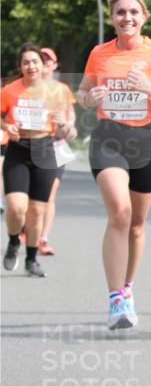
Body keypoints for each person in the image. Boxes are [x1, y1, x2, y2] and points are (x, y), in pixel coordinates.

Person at [77, 0, 151, 330]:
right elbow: (82, 95)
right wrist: (88, 98)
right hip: (109, 136)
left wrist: (150, 89)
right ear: (112, 18)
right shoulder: (100, 53)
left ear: (144, 16)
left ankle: (127, 289)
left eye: (133, 12)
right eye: (120, 12)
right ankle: (114, 301)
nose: (127, 17)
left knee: (137, 224)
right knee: (120, 213)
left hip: (147, 139)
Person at [2, 44, 73, 277]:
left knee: (36, 212)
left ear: (44, 66)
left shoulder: (59, 91)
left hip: (45, 149)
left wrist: (61, 123)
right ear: (20, 66)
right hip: (18, 148)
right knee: (16, 207)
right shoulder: (10, 90)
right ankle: (14, 241)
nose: (31, 66)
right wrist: (6, 126)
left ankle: (31, 260)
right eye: (26, 62)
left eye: (35, 62)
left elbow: (66, 132)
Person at [37, 47, 78, 256]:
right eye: (40, 59)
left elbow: (71, 129)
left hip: (54, 147)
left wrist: (65, 124)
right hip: (30, 145)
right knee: (30, 197)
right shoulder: (24, 88)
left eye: (48, 60)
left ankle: (43, 238)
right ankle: (28, 229)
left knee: (49, 195)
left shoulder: (62, 90)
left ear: (54, 65)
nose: (44, 63)